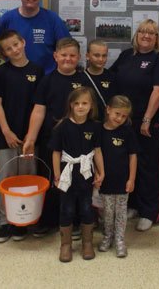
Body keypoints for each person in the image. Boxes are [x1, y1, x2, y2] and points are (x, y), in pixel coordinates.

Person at [110, 19, 159, 232]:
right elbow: (110, 80)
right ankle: (135, 206)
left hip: (150, 123)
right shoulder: (127, 56)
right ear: (136, 35)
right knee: (130, 165)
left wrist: (147, 119)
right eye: (142, 31)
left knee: (150, 166)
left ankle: (150, 211)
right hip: (125, 123)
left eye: (152, 33)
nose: (146, 35)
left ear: (157, 38)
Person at [23, 37, 84, 236]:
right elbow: (39, 110)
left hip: (78, 142)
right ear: (55, 56)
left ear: (79, 57)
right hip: (50, 140)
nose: (68, 59)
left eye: (72, 55)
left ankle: (74, 222)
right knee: (50, 179)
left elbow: (90, 111)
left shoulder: (84, 80)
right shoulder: (47, 80)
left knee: (74, 182)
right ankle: (48, 220)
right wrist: (31, 138)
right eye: (64, 55)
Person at [0, 29, 44, 243]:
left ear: (23, 42)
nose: (14, 50)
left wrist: (31, 136)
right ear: (4, 53)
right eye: (8, 48)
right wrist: (6, 130)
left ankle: (27, 219)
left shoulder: (38, 71)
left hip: (30, 137)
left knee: (28, 178)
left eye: (16, 44)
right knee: (7, 179)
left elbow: (39, 107)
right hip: (7, 136)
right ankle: (6, 220)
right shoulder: (1, 73)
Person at [51, 87, 103, 262]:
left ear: (91, 106)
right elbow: (56, 153)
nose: (81, 107)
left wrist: (101, 172)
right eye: (77, 103)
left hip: (86, 174)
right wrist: (57, 176)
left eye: (85, 103)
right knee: (67, 208)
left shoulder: (94, 126)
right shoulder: (62, 126)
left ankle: (87, 242)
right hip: (67, 174)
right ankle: (65, 245)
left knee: (87, 208)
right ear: (71, 105)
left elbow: (97, 151)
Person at [0, 0, 70, 74]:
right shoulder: (7, 19)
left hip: (45, 82)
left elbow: (68, 50)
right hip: (14, 80)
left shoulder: (53, 20)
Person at [98, 95, 138, 258]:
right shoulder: (99, 130)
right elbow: (95, 154)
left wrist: (132, 179)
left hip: (123, 181)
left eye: (124, 116)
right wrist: (98, 175)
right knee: (107, 212)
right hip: (105, 181)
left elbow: (133, 156)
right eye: (117, 114)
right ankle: (108, 236)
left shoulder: (127, 131)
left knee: (121, 212)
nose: (119, 119)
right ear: (108, 110)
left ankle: (120, 240)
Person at [80, 39, 117, 121]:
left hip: (107, 124)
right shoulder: (80, 78)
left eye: (104, 55)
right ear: (87, 56)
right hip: (86, 124)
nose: (101, 59)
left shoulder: (113, 77)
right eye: (96, 55)